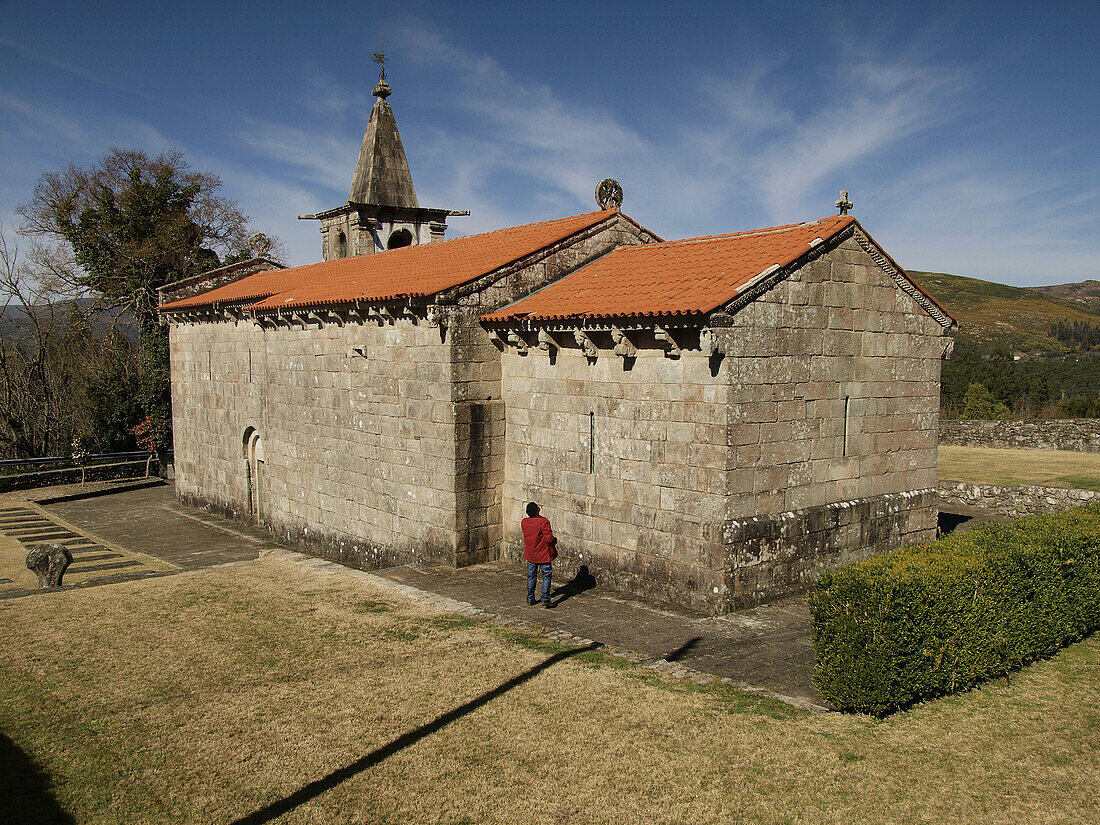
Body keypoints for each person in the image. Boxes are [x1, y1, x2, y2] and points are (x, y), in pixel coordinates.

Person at [522, 502, 557, 608]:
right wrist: (555, 540)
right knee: (546, 575)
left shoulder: (524, 522)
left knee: (531, 576)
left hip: (531, 554)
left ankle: (530, 598)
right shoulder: (543, 522)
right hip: (543, 554)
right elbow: (549, 538)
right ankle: (545, 598)